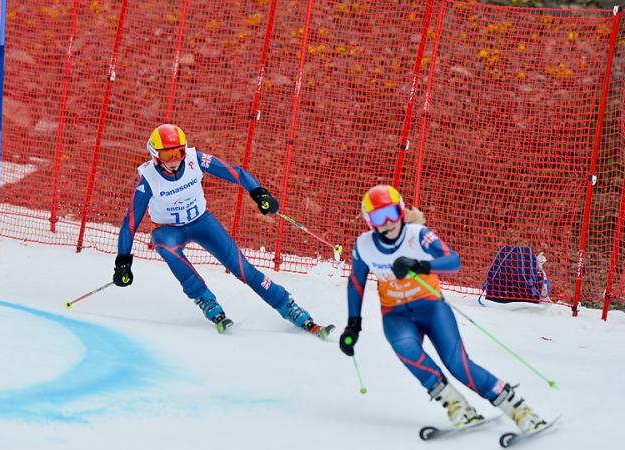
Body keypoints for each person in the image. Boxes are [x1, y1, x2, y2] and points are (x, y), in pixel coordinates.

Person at [338, 184, 546, 433]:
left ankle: (519, 409)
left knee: (456, 363)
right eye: (378, 218)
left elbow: (453, 262)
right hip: (396, 315)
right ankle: (456, 405)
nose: (387, 223)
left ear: (401, 211)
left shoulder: (417, 234)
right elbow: (356, 283)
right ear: (369, 221)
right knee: (410, 354)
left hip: (431, 307)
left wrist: (419, 264)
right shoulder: (364, 246)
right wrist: (353, 324)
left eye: (391, 214)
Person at [112, 123, 333, 337]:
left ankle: (288, 306)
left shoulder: (194, 160)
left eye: (178, 152)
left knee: (242, 269)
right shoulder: (148, 179)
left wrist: (259, 193)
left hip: (202, 223)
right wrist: (123, 262)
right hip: (168, 229)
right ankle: (205, 299)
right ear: (155, 155)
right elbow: (130, 222)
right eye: (167, 155)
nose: (174, 160)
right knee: (165, 247)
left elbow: (236, 173)